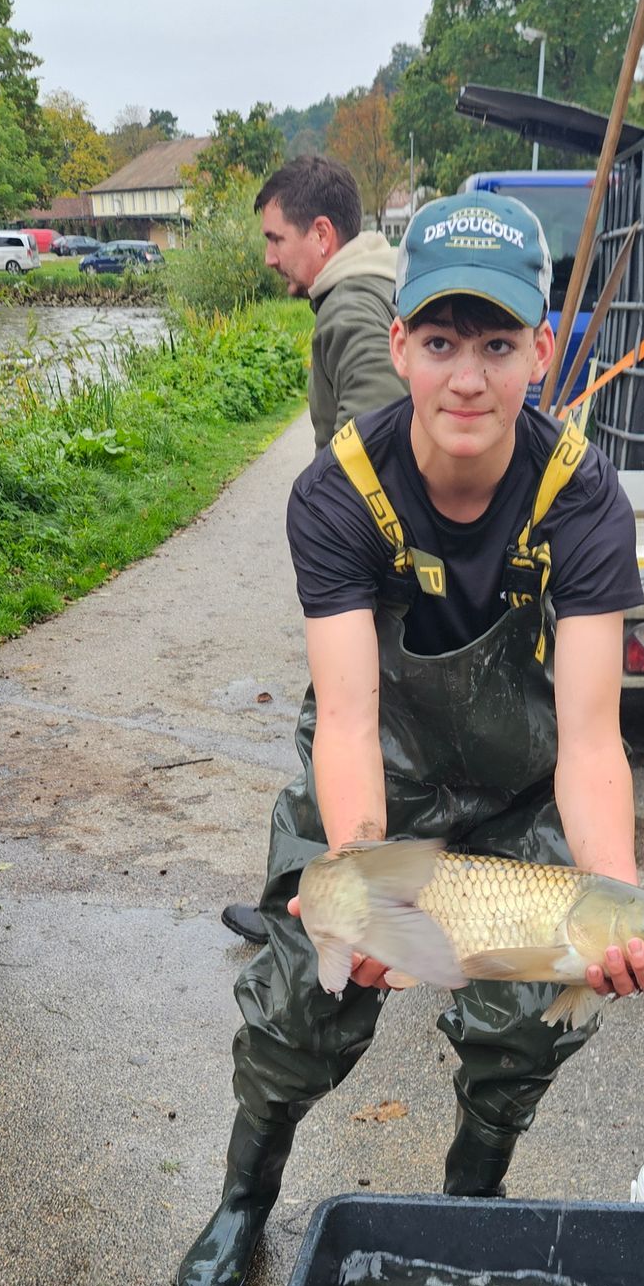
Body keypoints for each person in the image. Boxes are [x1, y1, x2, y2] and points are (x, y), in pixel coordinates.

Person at [176, 191, 644, 1286]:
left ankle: (471, 1200)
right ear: (398, 347)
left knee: (528, 1021)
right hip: (382, 770)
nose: (466, 378)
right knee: (299, 1005)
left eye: (496, 345)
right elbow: (343, 717)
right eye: (439, 343)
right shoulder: (339, 492)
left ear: (542, 351)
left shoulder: (582, 496)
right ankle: (242, 1198)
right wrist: (364, 885)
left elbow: (590, 739)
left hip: (521, 782)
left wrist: (616, 899)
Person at [221, 156, 408, 947]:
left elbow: (375, 441)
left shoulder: (352, 307)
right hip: (386, 572)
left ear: (321, 234)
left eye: (276, 238)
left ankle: (299, 918)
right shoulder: (365, 292)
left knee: (327, 733)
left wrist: (335, 546)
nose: (269, 257)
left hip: (373, 577)